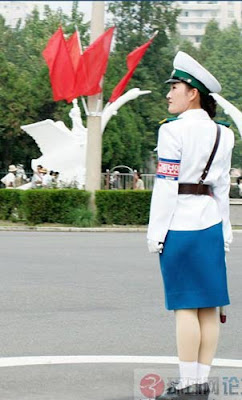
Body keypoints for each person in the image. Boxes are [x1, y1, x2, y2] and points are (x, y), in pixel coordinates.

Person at [147, 51, 234, 399]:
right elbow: (222, 188)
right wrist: (226, 233)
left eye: (175, 87)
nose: (169, 94)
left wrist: (156, 232)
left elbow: (167, 186)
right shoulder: (223, 134)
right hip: (211, 223)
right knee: (209, 306)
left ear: (193, 92)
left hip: (180, 224)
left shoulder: (172, 131)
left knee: (185, 306)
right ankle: (200, 382)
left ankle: (187, 384)